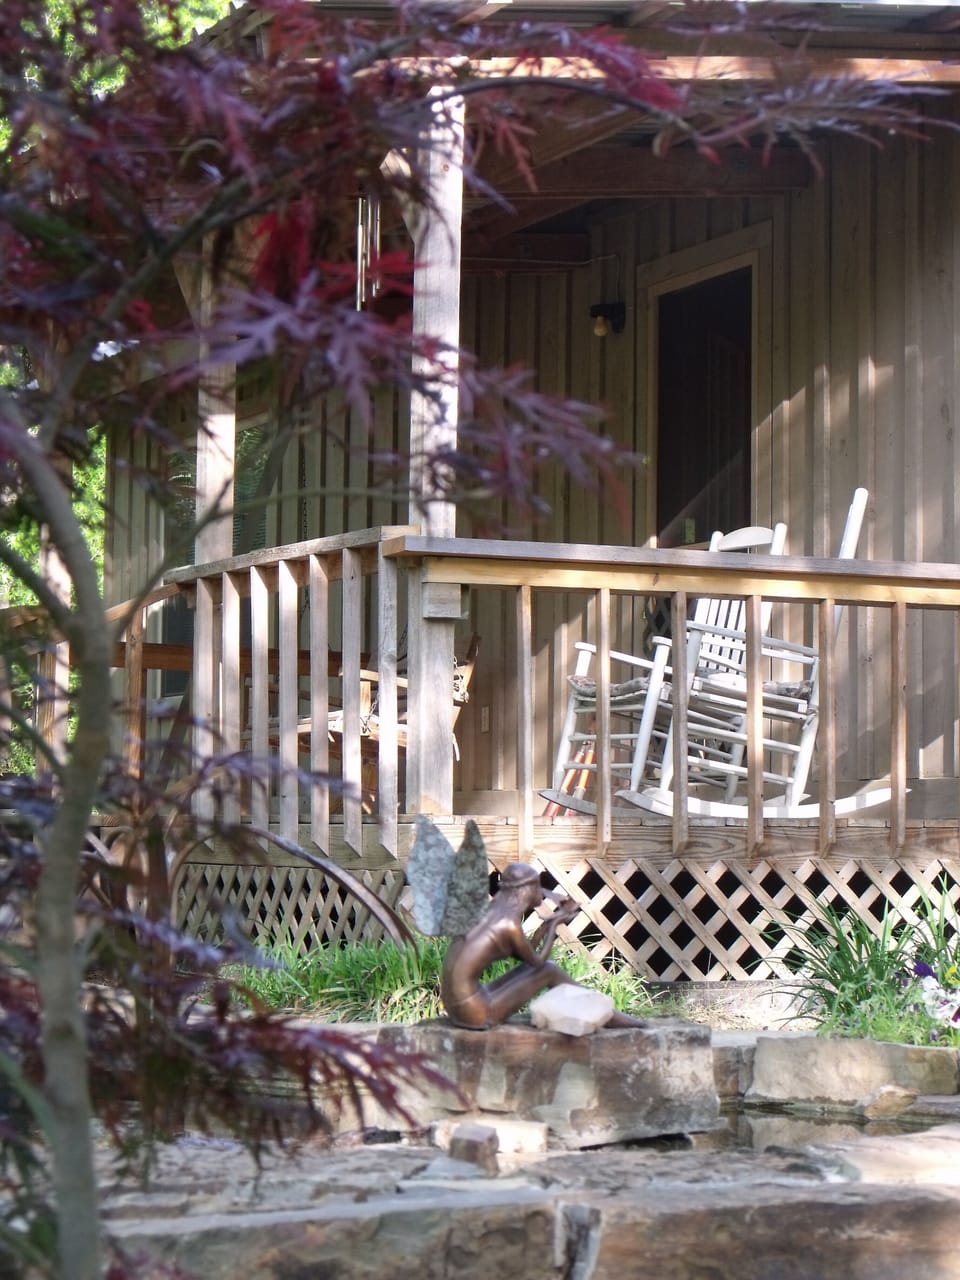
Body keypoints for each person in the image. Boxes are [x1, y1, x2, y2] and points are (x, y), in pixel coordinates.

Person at [439, 862, 646, 1030]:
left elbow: (525, 956)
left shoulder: (492, 913)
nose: (542, 891)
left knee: (538, 968)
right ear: (525, 890)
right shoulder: (509, 924)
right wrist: (554, 924)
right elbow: (538, 963)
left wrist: (545, 928)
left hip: (458, 1004)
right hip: (475, 1012)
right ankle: (607, 1015)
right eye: (537, 886)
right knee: (550, 969)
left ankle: (606, 1013)